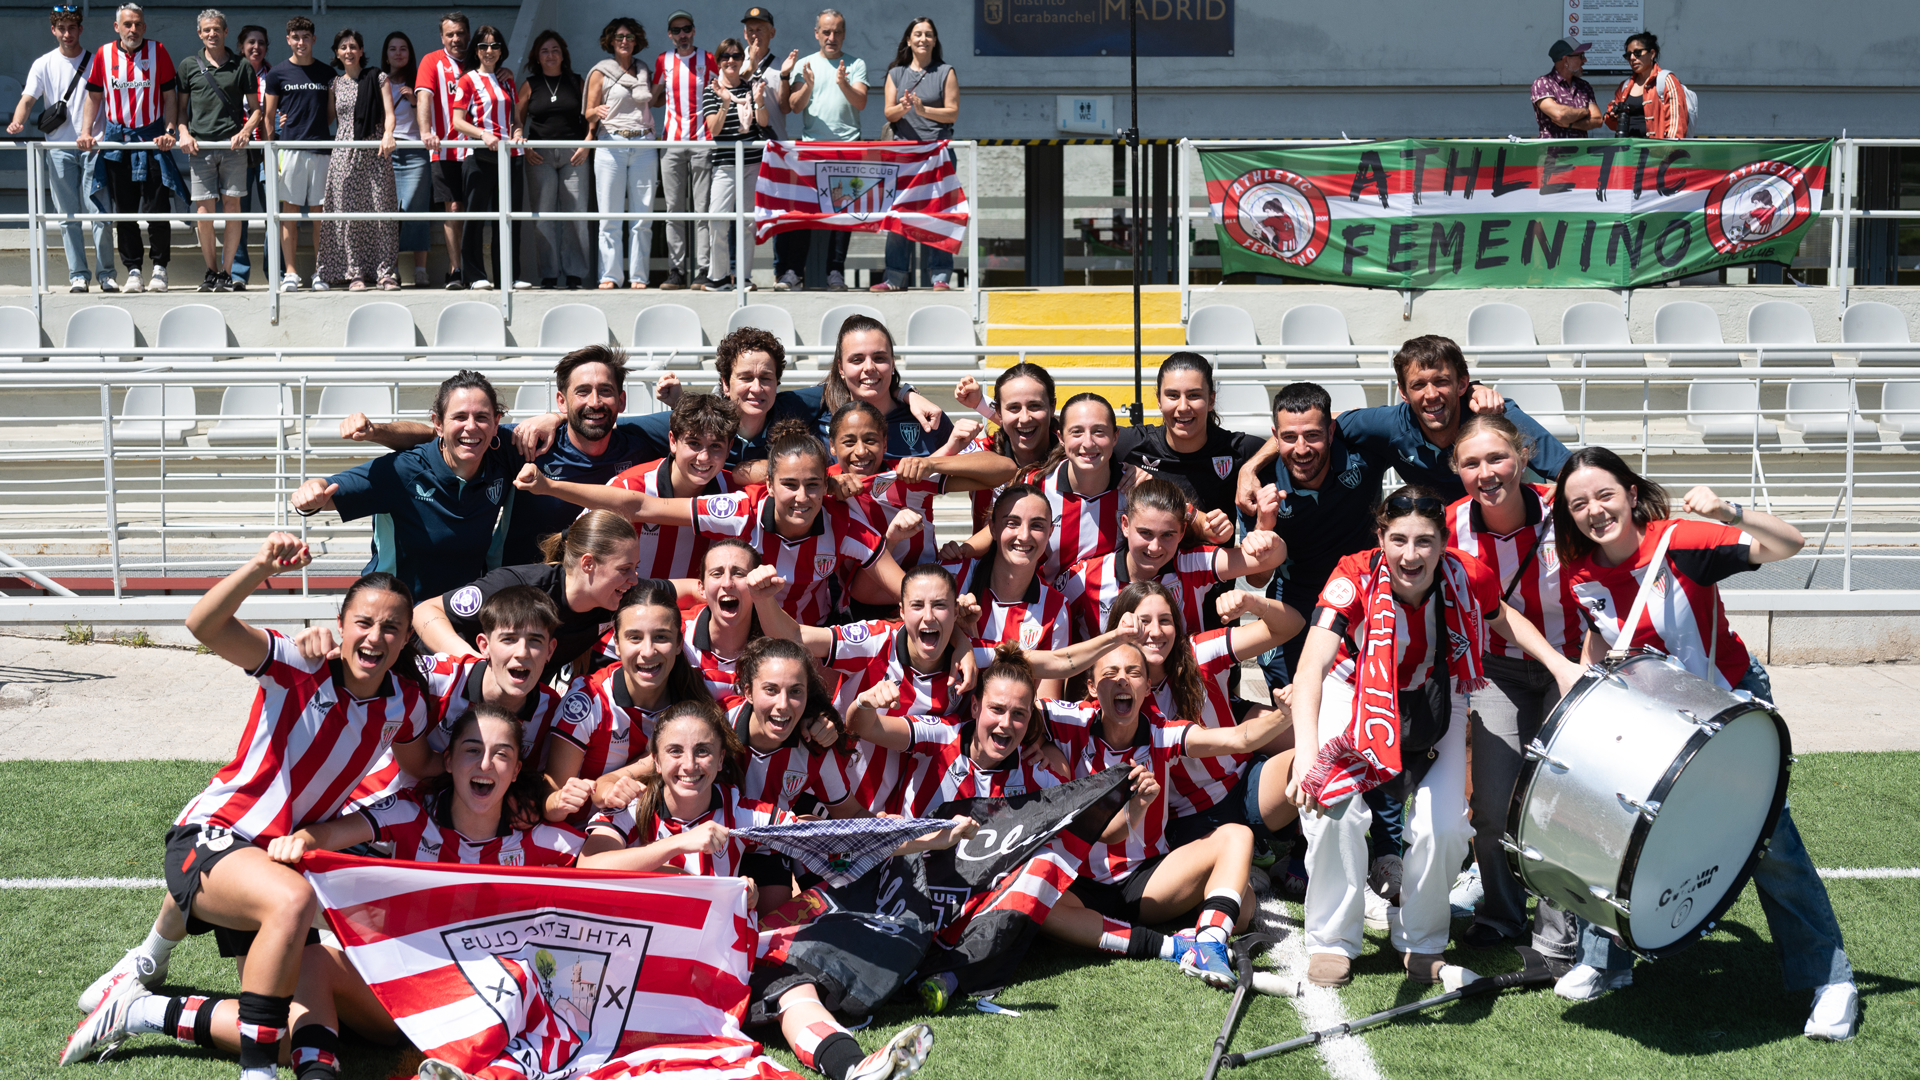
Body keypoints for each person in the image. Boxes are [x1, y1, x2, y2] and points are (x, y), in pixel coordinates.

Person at [64, 540, 435, 1080]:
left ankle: (139, 1008)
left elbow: (424, 765)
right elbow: (204, 624)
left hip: (276, 863)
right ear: (340, 624)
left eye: (391, 628)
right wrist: (261, 567)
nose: (375, 637)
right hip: (214, 835)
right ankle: (253, 1072)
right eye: (363, 622)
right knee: (294, 901)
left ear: (405, 639)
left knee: (285, 1036)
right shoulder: (299, 663)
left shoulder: (406, 703)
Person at [67, 702, 581, 1080]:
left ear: (517, 770)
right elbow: (330, 835)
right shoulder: (410, 813)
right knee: (290, 1009)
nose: (485, 764)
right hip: (392, 989)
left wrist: (613, 805)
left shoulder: (536, 840)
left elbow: (609, 868)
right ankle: (143, 1010)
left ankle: (140, 1008)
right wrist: (299, 842)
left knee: (289, 1029)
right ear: (447, 761)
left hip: (461, 1006)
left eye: (501, 755)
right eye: (472, 751)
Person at [1548, 447, 1857, 1039]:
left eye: (1605, 495)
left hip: (1723, 703)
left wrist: (1730, 511)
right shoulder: (1579, 568)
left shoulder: (1679, 541)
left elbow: (1789, 544)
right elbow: (1601, 633)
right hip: (1649, 714)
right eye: (1579, 503)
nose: (1594, 511)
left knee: (1768, 843)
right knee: (1614, 826)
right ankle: (1606, 960)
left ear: (1631, 494)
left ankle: (1830, 979)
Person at [1286, 487, 1583, 989]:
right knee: (1334, 808)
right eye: (1398, 539)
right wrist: (1307, 756)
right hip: (1354, 691)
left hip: (1435, 694)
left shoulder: (1468, 573)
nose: (1410, 554)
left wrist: (1558, 665)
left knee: (1443, 826)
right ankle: (1331, 939)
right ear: (1380, 537)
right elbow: (1312, 665)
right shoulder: (1352, 574)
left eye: (1424, 541)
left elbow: (1501, 617)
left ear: (1443, 542)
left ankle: (1421, 939)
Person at [579, 699, 947, 1080]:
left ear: (721, 759)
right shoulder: (630, 807)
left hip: (717, 965)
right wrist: (677, 845)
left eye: (703, 751)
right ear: (656, 761)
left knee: (795, 988)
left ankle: (853, 1068)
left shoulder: (740, 811)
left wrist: (934, 837)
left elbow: (831, 840)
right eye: (675, 751)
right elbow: (588, 868)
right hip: (643, 968)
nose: (689, 765)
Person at [1034, 638, 1294, 980]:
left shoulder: (1160, 733)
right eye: (1110, 672)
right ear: (1092, 687)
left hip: (1145, 882)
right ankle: (1170, 945)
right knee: (1033, 900)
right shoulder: (1068, 719)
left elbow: (1238, 738)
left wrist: (1284, 716)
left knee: (1241, 881)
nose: (1122, 679)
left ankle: (1209, 944)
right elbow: (1012, 695)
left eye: (1134, 672)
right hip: (1078, 881)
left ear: (1146, 688)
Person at [516, 420, 906, 626]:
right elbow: (641, 505)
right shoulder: (740, 510)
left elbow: (902, 586)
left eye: (813, 485)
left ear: (826, 484)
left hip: (809, 640)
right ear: (769, 485)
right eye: (789, 485)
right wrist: (549, 486)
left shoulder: (843, 524)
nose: (802, 498)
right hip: (745, 639)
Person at [1443, 414, 1583, 963]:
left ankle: (1559, 929)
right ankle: (1501, 913)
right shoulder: (1449, 524)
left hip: (1571, 666)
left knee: (1555, 802)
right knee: (1493, 803)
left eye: (1497, 457)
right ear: (1456, 470)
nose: (1486, 472)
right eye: (1471, 463)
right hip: (1497, 670)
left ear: (1523, 457)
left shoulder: (1565, 509)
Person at [354, 346, 668, 567]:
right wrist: (376, 431)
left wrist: (676, 397)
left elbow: (694, 430)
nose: (595, 402)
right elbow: (445, 436)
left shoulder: (641, 439)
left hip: (604, 589)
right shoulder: (527, 442)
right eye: (582, 392)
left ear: (622, 400)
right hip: (520, 590)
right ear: (562, 400)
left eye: (606, 391)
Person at [1238, 335, 1567, 510]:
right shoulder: (1389, 425)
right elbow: (1313, 426)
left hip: (1507, 531)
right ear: (1403, 392)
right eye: (1418, 385)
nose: (1431, 394)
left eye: (1441, 381)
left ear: (1463, 384)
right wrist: (1250, 468)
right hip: (1444, 540)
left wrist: (1548, 503)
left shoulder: (1494, 415)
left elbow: (1568, 468)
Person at [290, 370, 523, 601]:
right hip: (396, 611)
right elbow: (327, 492)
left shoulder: (501, 457)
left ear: (496, 423)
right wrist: (312, 490)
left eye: (481, 417)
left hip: (461, 609)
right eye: (459, 417)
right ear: (438, 424)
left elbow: (543, 429)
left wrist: (549, 422)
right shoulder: (404, 470)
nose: (471, 426)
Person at [1113, 582, 1301, 861]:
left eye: (1165, 621)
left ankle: (1303, 857)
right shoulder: (1118, 690)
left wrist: (1254, 603)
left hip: (1246, 784)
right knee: (1237, 884)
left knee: (1319, 758)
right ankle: (1249, 858)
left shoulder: (1197, 651)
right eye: (1144, 622)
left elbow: (1291, 626)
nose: (1156, 631)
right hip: (1190, 819)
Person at [1244, 382, 1392, 689]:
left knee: (1365, 701)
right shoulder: (1259, 485)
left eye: (1312, 435)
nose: (1301, 449)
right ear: (1275, 437)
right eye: (1289, 437)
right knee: (1289, 706)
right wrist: (1265, 527)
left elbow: (1414, 421)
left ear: (1331, 431)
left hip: (1363, 596)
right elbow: (1257, 580)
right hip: (1294, 603)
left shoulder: (1363, 454)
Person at [545, 579, 717, 821]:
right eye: (634, 637)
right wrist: (562, 800)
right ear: (616, 643)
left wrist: (623, 775)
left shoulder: (696, 695)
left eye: (661, 637)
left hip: (664, 834)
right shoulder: (589, 700)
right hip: (585, 834)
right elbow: (550, 805)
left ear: (679, 643)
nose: (647, 651)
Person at [415, 508, 644, 685]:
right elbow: (424, 611)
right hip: (438, 682)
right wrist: (474, 665)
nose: (634, 579)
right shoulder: (516, 585)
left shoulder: (622, 595)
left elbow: (667, 589)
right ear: (588, 564)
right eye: (625, 569)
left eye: (636, 568)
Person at [1059, 477, 1282, 643]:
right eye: (1145, 533)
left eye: (1167, 535)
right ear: (1125, 525)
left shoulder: (1191, 564)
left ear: (1183, 532)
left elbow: (1271, 558)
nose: (1155, 547)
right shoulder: (1083, 578)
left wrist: (1264, 528)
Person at [76, 2, 187, 295]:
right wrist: (86, 131)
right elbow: (93, 97)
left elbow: (170, 96)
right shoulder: (103, 54)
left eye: (138, 24)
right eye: (127, 24)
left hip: (152, 141)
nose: (133, 29)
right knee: (124, 211)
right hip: (118, 144)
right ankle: (133, 271)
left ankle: (160, 269)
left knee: (157, 208)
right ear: (117, 27)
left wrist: (170, 130)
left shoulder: (158, 51)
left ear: (144, 27)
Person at [827, 400, 1011, 569]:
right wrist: (826, 487)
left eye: (870, 440)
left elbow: (1006, 470)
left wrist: (931, 464)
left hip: (923, 587)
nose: (860, 451)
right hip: (853, 593)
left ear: (884, 444)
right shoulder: (822, 482)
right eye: (849, 442)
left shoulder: (906, 474)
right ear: (832, 446)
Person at [8, 6, 112, 292]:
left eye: (72, 28)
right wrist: (17, 121)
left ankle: (106, 274)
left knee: (100, 214)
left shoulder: (96, 61)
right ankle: (78, 275)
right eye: (62, 28)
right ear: (53, 30)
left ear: (80, 29)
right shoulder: (44, 63)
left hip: (94, 145)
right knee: (68, 216)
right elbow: (28, 98)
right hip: (59, 148)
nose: (67, 34)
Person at [777, 8, 866, 292]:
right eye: (826, 32)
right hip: (812, 151)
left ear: (844, 34)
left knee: (842, 216)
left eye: (837, 32)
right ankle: (794, 272)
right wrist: (808, 85)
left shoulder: (856, 64)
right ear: (816, 34)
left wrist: (843, 83)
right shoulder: (806, 64)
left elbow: (861, 102)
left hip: (847, 150)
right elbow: (794, 106)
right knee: (805, 214)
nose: (831, 37)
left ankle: (835, 273)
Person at [607, 393, 740, 579]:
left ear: (729, 447)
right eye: (694, 443)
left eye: (715, 446)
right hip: (631, 597)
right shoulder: (628, 486)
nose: (704, 457)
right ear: (673, 441)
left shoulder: (737, 494)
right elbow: (578, 546)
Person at [173, 9, 259, 294]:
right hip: (200, 148)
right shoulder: (188, 65)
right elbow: (181, 109)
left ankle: (227, 271)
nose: (212, 34)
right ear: (200, 33)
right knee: (203, 211)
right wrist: (183, 133)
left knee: (233, 209)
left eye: (217, 29)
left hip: (233, 147)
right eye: (207, 30)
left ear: (225, 32)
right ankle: (211, 271)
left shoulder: (242, 65)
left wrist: (245, 131)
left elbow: (256, 110)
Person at [871, 17, 956, 293]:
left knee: (938, 216)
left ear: (935, 40)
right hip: (904, 158)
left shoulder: (946, 72)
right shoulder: (896, 74)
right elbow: (889, 112)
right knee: (899, 216)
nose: (923, 39)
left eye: (928, 34)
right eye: (917, 34)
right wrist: (904, 108)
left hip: (937, 155)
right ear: (909, 40)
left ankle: (940, 276)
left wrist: (923, 110)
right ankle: (894, 278)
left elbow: (952, 113)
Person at [314, 28, 399, 291]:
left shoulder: (378, 77)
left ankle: (385, 272)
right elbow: (328, 119)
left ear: (361, 51)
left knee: (382, 210)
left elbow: (390, 114)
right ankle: (355, 272)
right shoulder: (335, 84)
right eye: (343, 47)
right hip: (344, 154)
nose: (348, 51)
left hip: (375, 151)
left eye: (353, 46)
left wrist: (388, 134)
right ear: (337, 53)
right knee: (348, 215)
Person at [261, 16, 335, 291]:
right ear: (288, 40)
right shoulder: (277, 73)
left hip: (321, 150)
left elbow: (330, 115)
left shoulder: (328, 73)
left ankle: (320, 272)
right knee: (289, 212)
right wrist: (270, 153)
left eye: (305, 37)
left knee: (319, 214)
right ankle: (290, 272)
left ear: (313, 39)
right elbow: (268, 117)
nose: (301, 42)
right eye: (295, 37)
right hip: (289, 151)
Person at [819, 314, 954, 457]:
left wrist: (928, 465)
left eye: (879, 358)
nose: (869, 367)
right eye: (857, 360)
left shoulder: (928, 418)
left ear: (893, 363)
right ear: (841, 368)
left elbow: (963, 463)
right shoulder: (820, 421)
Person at [585, 18, 655, 290]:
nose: (624, 41)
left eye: (629, 37)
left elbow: (653, 100)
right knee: (609, 216)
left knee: (643, 218)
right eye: (619, 37)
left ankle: (639, 276)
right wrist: (596, 111)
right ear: (610, 41)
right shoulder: (600, 71)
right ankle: (610, 276)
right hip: (611, 143)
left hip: (643, 143)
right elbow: (588, 112)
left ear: (636, 41)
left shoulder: (643, 70)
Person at [451, 24, 522, 291]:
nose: (489, 50)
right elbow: (458, 122)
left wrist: (518, 133)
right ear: (476, 50)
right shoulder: (467, 80)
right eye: (483, 46)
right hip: (480, 156)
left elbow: (516, 119)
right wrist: (483, 135)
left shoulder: (507, 79)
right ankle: (475, 275)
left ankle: (509, 276)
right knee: (475, 217)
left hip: (511, 155)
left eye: (494, 45)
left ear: (501, 50)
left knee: (509, 218)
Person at [517, 30, 589, 290]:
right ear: (537, 56)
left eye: (555, 50)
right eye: (545, 50)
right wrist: (523, 144)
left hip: (574, 155)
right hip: (540, 156)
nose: (550, 55)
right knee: (542, 216)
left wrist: (587, 144)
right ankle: (548, 274)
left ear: (563, 54)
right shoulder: (530, 84)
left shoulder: (577, 82)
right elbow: (517, 120)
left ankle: (574, 274)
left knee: (576, 215)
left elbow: (590, 117)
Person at [953, 363, 1060, 530]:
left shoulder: (1073, 457)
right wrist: (909, 394)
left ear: (1052, 407)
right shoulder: (982, 451)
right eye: (1014, 408)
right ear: (999, 411)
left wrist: (981, 403)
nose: (1024, 418)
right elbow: (921, 474)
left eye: (1035, 406)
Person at [702, 35, 771, 292]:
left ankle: (743, 277)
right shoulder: (711, 90)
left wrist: (759, 101)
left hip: (752, 165)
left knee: (748, 223)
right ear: (718, 61)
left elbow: (762, 122)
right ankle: (718, 277)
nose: (730, 60)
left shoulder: (751, 88)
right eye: (725, 56)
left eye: (736, 56)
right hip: (725, 165)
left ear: (742, 60)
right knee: (718, 220)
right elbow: (714, 129)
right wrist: (725, 102)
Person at [652, 10, 713, 290]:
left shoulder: (708, 59)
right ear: (670, 35)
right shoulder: (663, 60)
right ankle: (676, 271)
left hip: (703, 141)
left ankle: (704, 270)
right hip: (672, 142)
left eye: (686, 29)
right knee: (673, 210)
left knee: (703, 210)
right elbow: (652, 98)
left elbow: (726, 86)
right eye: (676, 30)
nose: (682, 35)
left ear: (694, 30)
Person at [417, 12, 472, 287]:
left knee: (475, 210)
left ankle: (475, 271)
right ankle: (456, 270)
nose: (456, 38)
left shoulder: (479, 60)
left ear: (468, 35)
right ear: (442, 37)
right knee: (453, 207)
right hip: (445, 149)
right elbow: (423, 97)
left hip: (477, 149)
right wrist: (426, 131)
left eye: (460, 33)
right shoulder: (431, 61)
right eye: (450, 34)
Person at [380, 31, 433, 286]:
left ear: (410, 53)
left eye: (403, 48)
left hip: (415, 151)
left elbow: (431, 114)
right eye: (393, 49)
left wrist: (414, 100)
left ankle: (420, 269)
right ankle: (392, 269)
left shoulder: (419, 81)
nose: (398, 53)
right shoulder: (378, 82)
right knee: (389, 212)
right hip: (387, 151)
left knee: (416, 209)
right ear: (386, 55)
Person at [227, 24, 270, 289]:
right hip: (238, 152)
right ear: (241, 46)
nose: (256, 47)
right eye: (251, 42)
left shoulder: (275, 75)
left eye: (261, 43)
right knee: (237, 215)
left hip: (266, 153)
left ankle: (276, 273)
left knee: (273, 215)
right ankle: (238, 275)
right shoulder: (230, 73)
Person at [1605, 31, 1689, 139]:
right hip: (1627, 147)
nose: (1632, 58)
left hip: (1656, 148)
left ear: (1652, 54)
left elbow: (1676, 125)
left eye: (1637, 53)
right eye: (1628, 55)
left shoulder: (1666, 81)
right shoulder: (1625, 86)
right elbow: (1611, 124)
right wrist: (1612, 115)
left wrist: (1668, 148)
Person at [1533, 38, 1601, 139]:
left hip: (1581, 149)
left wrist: (1571, 124)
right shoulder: (1543, 83)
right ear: (1565, 60)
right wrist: (1585, 111)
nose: (1585, 60)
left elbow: (1598, 120)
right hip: (1552, 149)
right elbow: (1559, 115)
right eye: (1581, 56)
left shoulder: (1584, 86)